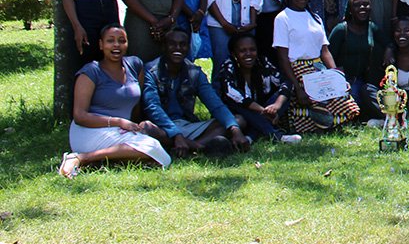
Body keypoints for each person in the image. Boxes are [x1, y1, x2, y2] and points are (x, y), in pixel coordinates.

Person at [58, 25, 171, 177]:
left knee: (161, 157)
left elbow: (136, 105)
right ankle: (81, 157)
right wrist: (118, 122)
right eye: (110, 41)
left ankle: (105, 160)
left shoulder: (134, 65)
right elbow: (79, 116)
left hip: (119, 130)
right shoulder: (91, 71)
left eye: (122, 41)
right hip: (89, 131)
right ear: (101, 45)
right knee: (154, 148)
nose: (116, 45)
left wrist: (135, 126)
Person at [273, 0, 361, 133]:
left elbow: (325, 50)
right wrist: (297, 87)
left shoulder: (314, 17)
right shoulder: (282, 18)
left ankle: (325, 123)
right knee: (316, 106)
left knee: (347, 105)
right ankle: (315, 124)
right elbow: (283, 57)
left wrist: (337, 77)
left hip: (318, 67)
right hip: (298, 70)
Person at [143, 27, 250, 158]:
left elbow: (215, 104)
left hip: (188, 125)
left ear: (188, 48)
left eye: (182, 45)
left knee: (238, 121)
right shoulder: (151, 71)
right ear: (164, 47)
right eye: (172, 44)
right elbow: (153, 108)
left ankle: (189, 147)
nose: (178, 48)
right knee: (146, 127)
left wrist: (235, 130)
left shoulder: (194, 72)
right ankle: (201, 147)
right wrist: (175, 134)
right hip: (163, 126)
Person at [215, 33, 299, 143]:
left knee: (284, 96)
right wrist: (263, 111)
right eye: (242, 51)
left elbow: (285, 82)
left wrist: (276, 106)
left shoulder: (262, 61)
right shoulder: (228, 66)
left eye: (252, 49)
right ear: (233, 53)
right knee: (236, 103)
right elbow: (234, 96)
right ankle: (276, 135)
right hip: (240, 111)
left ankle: (250, 138)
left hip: (262, 107)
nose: (248, 54)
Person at [328, 0, 384, 118]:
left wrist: (389, 51)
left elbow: (389, 43)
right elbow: (328, 56)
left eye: (365, 5)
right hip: (343, 82)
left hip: (363, 81)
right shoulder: (341, 29)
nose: (362, 8)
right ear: (350, 10)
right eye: (357, 5)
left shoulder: (372, 27)